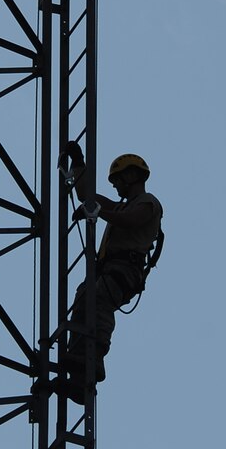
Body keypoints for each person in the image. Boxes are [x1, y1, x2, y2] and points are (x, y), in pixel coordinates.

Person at [63, 146, 163, 395]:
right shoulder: (119, 208)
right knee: (84, 297)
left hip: (124, 270)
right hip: (106, 270)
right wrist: (78, 162)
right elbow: (88, 196)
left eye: (118, 180)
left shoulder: (148, 203)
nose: (116, 187)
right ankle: (76, 369)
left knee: (99, 300)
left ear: (132, 176)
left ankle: (94, 356)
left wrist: (96, 213)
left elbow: (131, 221)